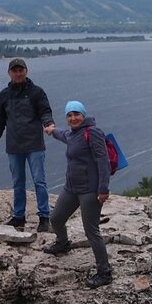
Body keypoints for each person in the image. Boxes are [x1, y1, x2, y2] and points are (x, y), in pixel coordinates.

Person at [43, 100, 112, 288]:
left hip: (90, 190)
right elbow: (62, 134)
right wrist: (50, 130)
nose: (73, 118)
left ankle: (104, 272)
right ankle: (63, 243)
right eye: (69, 115)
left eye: (76, 114)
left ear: (83, 115)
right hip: (71, 188)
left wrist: (103, 189)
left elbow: (103, 161)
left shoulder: (93, 132)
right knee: (56, 219)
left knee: (92, 231)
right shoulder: (72, 134)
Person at [0, 57, 54, 232]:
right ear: (9, 73)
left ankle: (44, 218)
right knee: (18, 182)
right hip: (14, 146)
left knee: (39, 181)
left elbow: (45, 112)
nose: (18, 73)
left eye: (21, 70)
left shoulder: (37, 92)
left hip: (35, 144)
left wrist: (48, 124)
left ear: (26, 71)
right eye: (15, 70)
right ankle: (18, 217)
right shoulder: (4, 96)